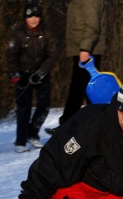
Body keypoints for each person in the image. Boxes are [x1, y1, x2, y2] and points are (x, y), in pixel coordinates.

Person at [46, 0, 105, 134]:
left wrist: (85, 48)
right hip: (82, 50)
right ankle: (78, 124)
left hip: (87, 51)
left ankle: (73, 125)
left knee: (84, 90)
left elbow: (92, 25)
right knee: (80, 89)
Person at [7, 3, 57, 153]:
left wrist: (41, 72)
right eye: (30, 17)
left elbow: (52, 54)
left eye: (36, 16)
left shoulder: (47, 33)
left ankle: (33, 134)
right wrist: (15, 74)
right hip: (23, 73)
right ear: (25, 19)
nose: (33, 20)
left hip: (41, 73)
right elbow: (11, 56)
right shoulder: (18, 34)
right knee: (24, 109)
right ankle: (20, 141)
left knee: (44, 105)